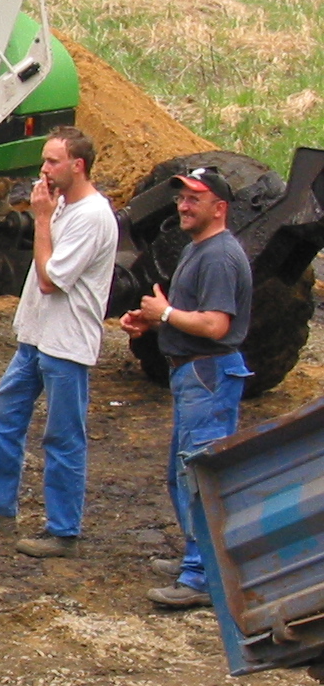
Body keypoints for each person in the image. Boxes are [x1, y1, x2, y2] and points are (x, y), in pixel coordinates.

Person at [0, 130, 118, 557]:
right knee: (4, 412)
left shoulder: (92, 216)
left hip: (66, 344)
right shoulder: (63, 204)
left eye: (53, 161)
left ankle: (64, 531)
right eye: (45, 161)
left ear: (78, 165)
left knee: (63, 437)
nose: (44, 170)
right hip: (37, 339)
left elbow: (50, 279)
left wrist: (41, 220)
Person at [121, 165, 253, 611]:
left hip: (208, 374)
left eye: (194, 198)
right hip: (195, 373)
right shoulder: (200, 249)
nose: (183, 205)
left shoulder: (218, 256)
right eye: (180, 197)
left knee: (198, 476)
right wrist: (152, 322)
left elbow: (216, 325)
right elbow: (191, 315)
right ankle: (198, 561)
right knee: (182, 475)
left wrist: (167, 315)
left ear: (220, 207)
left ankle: (200, 575)